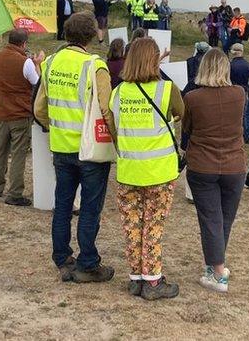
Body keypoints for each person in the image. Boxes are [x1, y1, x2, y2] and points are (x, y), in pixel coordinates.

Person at [34, 12, 115, 283]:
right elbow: (106, 109)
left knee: (63, 205)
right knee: (90, 209)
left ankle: (61, 258)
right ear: (92, 35)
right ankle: (88, 263)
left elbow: (39, 108)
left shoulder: (50, 63)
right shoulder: (95, 66)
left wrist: (53, 126)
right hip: (91, 150)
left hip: (60, 147)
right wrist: (116, 140)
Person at [111, 37, 184, 300]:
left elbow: (115, 126)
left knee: (132, 226)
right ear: (155, 60)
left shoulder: (118, 92)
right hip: (159, 172)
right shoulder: (166, 90)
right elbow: (180, 112)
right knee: (153, 226)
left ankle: (135, 278)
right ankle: (152, 282)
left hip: (129, 170)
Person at [182, 49, 247, 294]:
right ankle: (215, 266)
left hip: (202, 164)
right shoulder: (240, 94)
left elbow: (187, 128)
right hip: (234, 166)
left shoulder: (193, 98)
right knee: (224, 220)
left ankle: (217, 272)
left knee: (211, 220)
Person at [0, 30, 44, 207]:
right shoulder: (25, 62)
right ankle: (15, 192)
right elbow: (38, 84)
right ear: (24, 44)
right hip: (20, 113)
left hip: (1, 111)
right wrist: (38, 65)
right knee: (19, 153)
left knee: (1, 150)